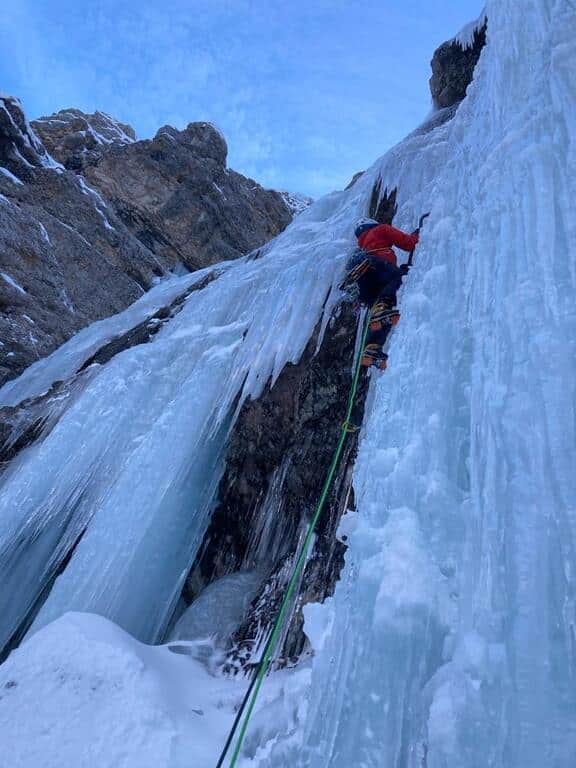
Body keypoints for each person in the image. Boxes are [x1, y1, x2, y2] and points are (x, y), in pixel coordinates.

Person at [347, 217, 419, 370]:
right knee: (401, 277)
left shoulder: (362, 245)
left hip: (365, 283)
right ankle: (381, 306)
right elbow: (408, 243)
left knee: (383, 317)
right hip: (377, 266)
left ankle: (371, 349)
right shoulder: (381, 229)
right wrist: (419, 235)